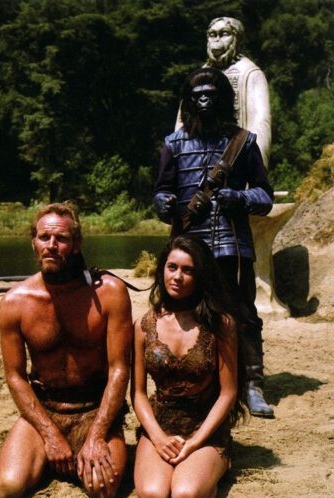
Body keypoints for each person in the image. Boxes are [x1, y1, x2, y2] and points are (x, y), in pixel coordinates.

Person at [154, 66, 275, 418]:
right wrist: (163, 203)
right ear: (189, 102)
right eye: (198, 96)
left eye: (211, 95)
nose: (204, 101)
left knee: (243, 314)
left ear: (223, 100)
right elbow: (161, 191)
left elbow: (265, 196)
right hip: (188, 246)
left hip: (232, 245)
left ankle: (252, 384)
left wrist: (240, 197)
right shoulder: (173, 144)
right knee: (184, 314)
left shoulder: (244, 142)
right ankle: (191, 379)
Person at [0, 202, 133, 498]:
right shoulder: (14, 302)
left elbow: (120, 369)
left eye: (62, 238)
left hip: (94, 409)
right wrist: (50, 434)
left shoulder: (109, 293)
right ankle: (46, 454)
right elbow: (16, 377)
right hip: (46, 409)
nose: (52, 245)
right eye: (44, 237)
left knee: (102, 488)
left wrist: (97, 435)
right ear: (33, 242)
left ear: (77, 243)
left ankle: (80, 451)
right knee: (8, 487)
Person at [131, 235, 247, 498]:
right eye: (172, 267)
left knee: (185, 492)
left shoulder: (221, 324)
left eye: (188, 270)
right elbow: (137, 393)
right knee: (152, 493)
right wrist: (158, 438)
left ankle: (210, 472)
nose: (177, 277)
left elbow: (228, 393)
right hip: (160, 425)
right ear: (162, 270)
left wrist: (195, 442)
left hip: (205, 428)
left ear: (200, 276)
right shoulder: (143, 325)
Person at [175, 16, 271, 168]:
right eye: (212, 35)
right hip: (197, 162)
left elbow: (260, 123)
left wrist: (257, 166)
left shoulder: (250, 73)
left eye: (224, 34)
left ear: (237, 39)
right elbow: (183, 121)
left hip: (235, 160)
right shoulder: (200, 75)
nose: (217, 40)